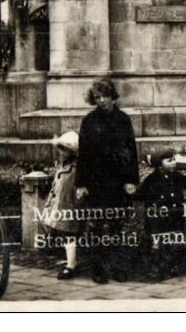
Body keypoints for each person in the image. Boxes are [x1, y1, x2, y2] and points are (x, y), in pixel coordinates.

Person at [75, 78, 139, 283]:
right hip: (95, 182)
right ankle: (99, 269)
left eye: (105, 96)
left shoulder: (123, 120)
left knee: (116, 226)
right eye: (97, 97)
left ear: (113, 97)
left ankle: (117, 267)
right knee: (96, 225)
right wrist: (81, 184)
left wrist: (131, 180)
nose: (101, 100)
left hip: (117, 182)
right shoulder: (88, 121)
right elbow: (83, 154)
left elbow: (131, 152)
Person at [137, 148, 186, 278]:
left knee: (175, 243)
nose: (174, 163)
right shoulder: (151, 180)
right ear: (159, 164)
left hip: (175, 218)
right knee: (159, 245)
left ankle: (174, 265)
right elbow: (142, 195)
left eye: (174, 160)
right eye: (169, 160)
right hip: (158, 220)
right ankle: (158, 267)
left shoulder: (177, 177)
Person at [41, 131, 83, 280]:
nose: (61, 152)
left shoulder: (76, 169)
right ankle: (71, 260)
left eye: (64, 149)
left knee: (69, 233)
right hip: (60, 205)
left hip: (71, 206)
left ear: (73, 152)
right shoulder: (62, 167)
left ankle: (71, 265)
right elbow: (56, 188)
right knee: (64, 233)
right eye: (59, 149)